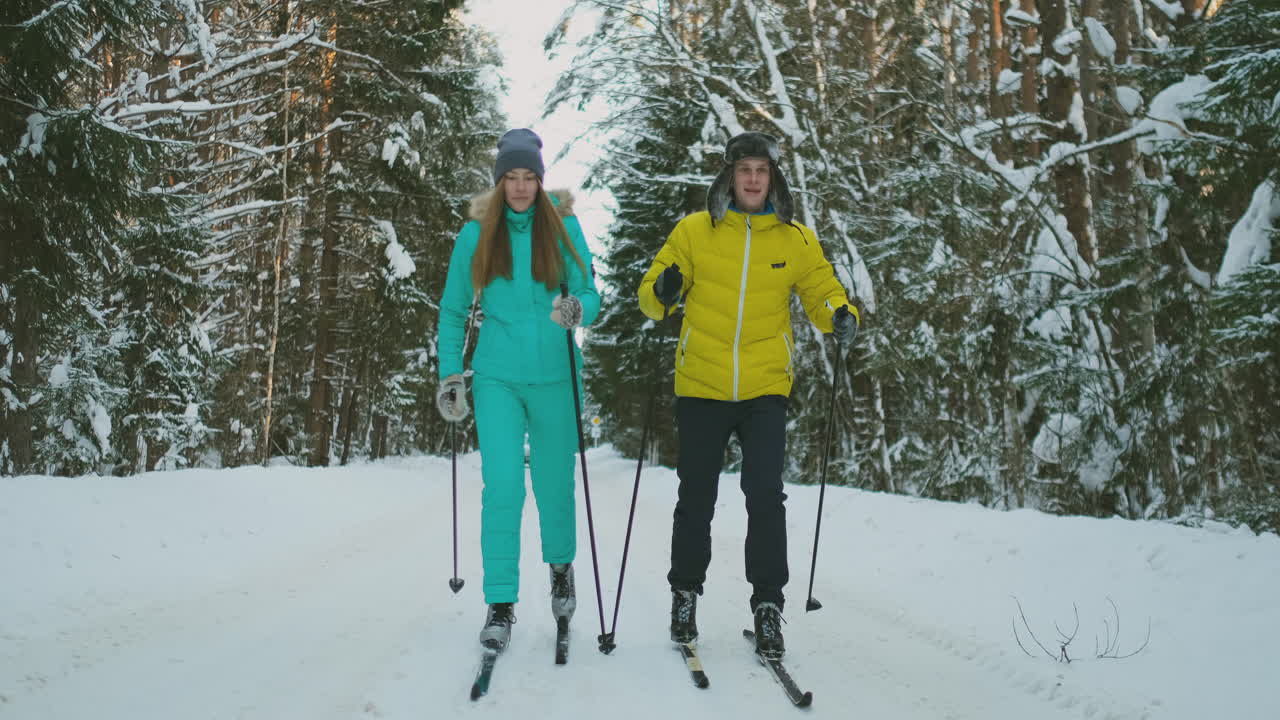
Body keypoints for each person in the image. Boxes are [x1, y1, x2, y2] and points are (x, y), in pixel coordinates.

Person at [637, 131, 860, 659]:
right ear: (729, 177)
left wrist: (840, 315)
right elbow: (651, 297)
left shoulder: (795, 239)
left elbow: (822, 291)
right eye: (745, 171)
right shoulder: (694, 232)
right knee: (697, 497)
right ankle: (685, 596)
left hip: (764, 386)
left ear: (772, 177)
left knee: (765, 497)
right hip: (702, 385)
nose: (754, 179)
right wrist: (664, 291)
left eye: (762, 170)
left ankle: (767, 607)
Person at [435, 128, 601, 652]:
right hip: (499, 378)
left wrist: (577, 310)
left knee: (554, 485)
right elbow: (453, 310)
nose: (523, 187)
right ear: (500, 179)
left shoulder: (566, 226)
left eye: (530, 177)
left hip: (556, 377)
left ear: (540, 179)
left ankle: (560, 571)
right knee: (503, 487)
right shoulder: (477, 233)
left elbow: (592, 293)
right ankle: (501, 604)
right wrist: (450, 375)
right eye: (513, 177)